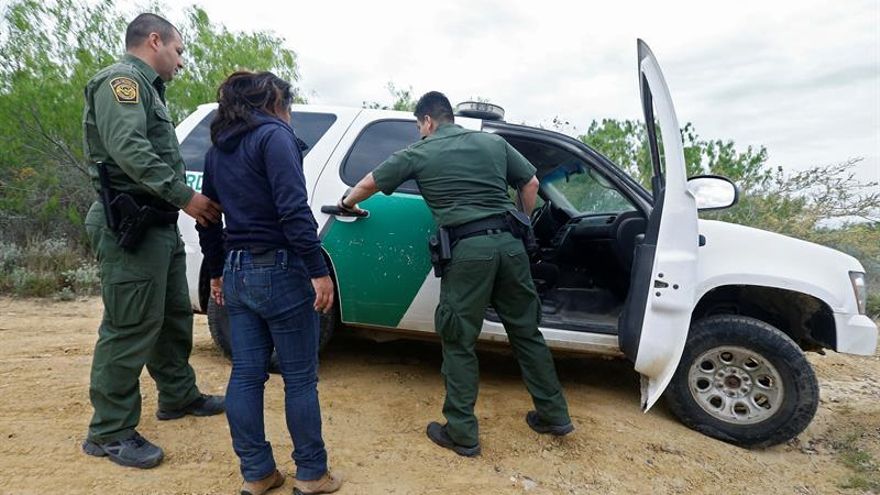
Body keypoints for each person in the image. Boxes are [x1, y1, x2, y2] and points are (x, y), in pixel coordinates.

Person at [341, 91, 573, 457]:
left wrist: (346, 203)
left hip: (469, 252)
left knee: (459, 338)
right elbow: (529, 184)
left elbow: (370, 183)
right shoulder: (493, 142)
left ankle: (462, 432)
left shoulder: (420, 151)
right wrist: (521, 224)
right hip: (512, 249)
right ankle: (554, 414)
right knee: (526, 332)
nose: (421, 133)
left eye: (420, 127)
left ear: (428, 122)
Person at [80, 13, 226, 469]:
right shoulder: (122, 82)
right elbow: (129, 148)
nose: (181, 62)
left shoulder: (149, 90)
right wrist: (187, 197)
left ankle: (178, 395)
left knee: (172, 316)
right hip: (131, 225)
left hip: (155, 223)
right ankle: (109, 430)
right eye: (179, 51)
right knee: (130, 325)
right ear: (155, 41)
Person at [196, 71, 342, 495]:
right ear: (275, 101)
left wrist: (218, 270)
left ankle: (257, 473)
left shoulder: (218, 149)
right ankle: (312, 475)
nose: (291, 114)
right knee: (299, 378)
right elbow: (293, 209)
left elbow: (209, 215)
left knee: (245, 375)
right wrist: (318, 270)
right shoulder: (275, 137)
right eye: (289, 105)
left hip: (238, 270)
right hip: (280, 268)